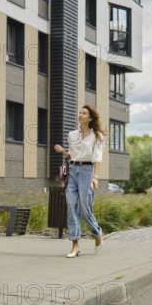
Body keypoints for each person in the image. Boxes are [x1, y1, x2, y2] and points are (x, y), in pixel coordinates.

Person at [54, 105, 106, 258]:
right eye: (80, 113)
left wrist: (95, 177)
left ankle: (97, 232)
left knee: (84, 207)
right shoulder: (72, 135)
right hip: (72, 170)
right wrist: (63, 152)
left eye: (84, 113)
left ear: (90, 118)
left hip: (87, 172)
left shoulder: (98, 136)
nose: (80, 115)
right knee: (71, 207)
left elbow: (97, 158)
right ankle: (75, 245)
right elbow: (72, 155)